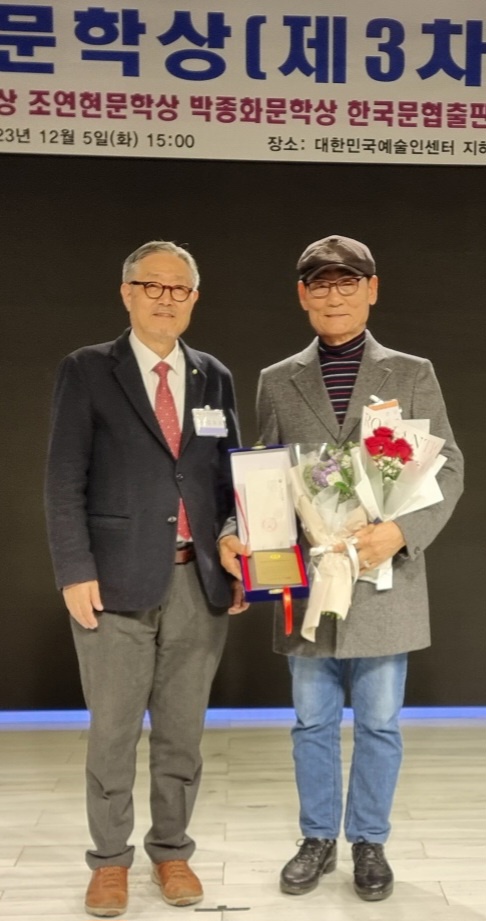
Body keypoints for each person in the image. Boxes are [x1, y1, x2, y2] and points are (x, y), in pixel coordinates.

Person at [219, 235, 463, 902]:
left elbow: (449, 467)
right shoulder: (277, 378)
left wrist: (401, 533)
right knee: (311, 721)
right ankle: (317, 837)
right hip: (310, 579)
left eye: (347, 282)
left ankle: (370, 842)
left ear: (372, 289)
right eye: (320, 283)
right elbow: (264, 475)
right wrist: (237, 532)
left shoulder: (412, 372)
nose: (334, 295)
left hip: (385, 576)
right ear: (302, 295)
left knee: (380, 723)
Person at [45, 240, 246, 917]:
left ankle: (172, 850)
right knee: (113, 732)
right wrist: (74, 569)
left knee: (182, 732)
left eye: (178, 288)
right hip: (111, 583)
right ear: (126, 292)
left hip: (199, 583)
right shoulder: (87, 370)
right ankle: (109, 861)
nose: (166, 297)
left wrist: (234, 547)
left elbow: (230, 478)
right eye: (151, 285)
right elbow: (63, 479)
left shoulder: (214, 375)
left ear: (194, 298)